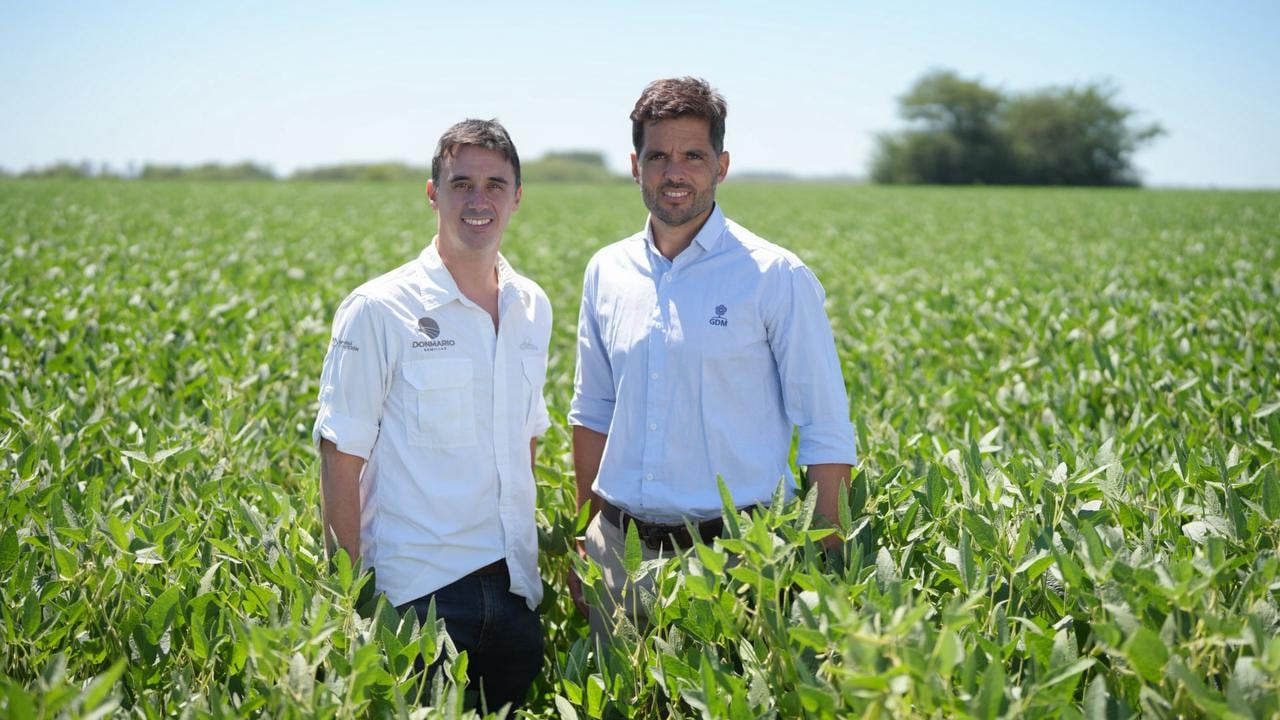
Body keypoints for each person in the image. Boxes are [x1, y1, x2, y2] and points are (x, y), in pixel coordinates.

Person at [567, 77, 858, 637]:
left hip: (737, 561)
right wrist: (586, 535)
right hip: (617, 555)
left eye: (693, 156)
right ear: (635, 165)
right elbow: (592, 411)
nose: (674, 172)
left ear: (721, 166)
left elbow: (825, 428)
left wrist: (821, 564)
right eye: (659, 156)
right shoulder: (606, 270)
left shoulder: (774, 275)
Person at [313, 118, 550, 710]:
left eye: (495, 185)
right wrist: (351, 603)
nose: (479, 200)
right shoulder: (378, 309)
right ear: (432, 193)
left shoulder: (531, 306)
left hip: (515, 591)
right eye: (461, 183)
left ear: (517, 198)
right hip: (419, 598)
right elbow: (340, 455)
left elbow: (527, 440)